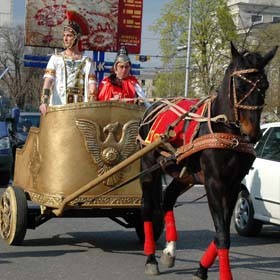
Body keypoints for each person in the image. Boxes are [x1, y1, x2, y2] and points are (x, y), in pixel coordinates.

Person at [39, 11, 97, 115]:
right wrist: (44, 102)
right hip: (59, 108)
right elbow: (48, 82)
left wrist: (91, 108)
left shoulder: (87, 62)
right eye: (64, 35)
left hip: (80, 110)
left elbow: (92, 86)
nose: (65, 39)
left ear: (77, 38)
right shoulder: (56, 59)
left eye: (69, 36)